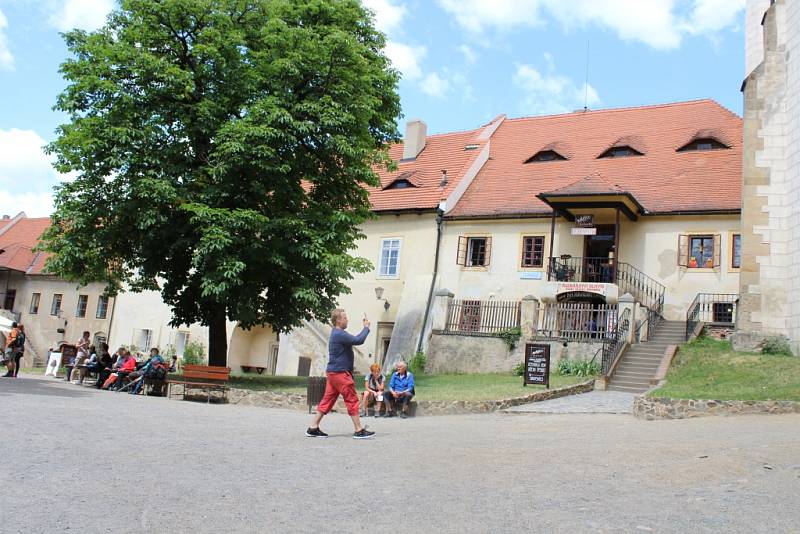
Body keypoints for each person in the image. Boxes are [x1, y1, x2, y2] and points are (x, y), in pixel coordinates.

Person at [306, 309, 374, 439]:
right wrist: (366, 328)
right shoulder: (339, 333)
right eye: (345, 317)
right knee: (352, 399)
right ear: (338, 320)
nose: (347, 319)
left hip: (333, 373)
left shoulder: (337, 333)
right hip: (340, 373)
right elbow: (358, 340)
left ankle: (313, 427)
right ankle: (359, 430)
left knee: (328, 400)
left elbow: (355, 340)